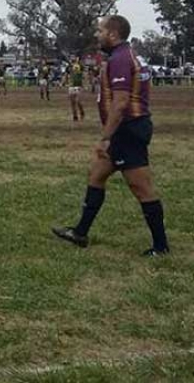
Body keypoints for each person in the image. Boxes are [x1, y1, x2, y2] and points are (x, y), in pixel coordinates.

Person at [52, 15, 168, 257]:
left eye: (100, 31)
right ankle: (80, 232)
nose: (97, 35)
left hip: (127, 130)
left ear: (113, 34)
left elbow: (121, 102)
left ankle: (160, 246)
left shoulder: (119, 59)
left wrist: (106, 136)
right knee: (97, 174)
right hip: (127, 129)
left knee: (141, 186)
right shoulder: (126, 55)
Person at [67, 56, 86, 122]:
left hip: (78, 85)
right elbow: (66, 74)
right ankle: (75, 116)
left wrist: (85, 82)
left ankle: (82, 112)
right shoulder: (69, 67)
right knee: (72, 102)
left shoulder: (80, 66)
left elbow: (84, 74)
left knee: (78, 101)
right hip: (71, 85)